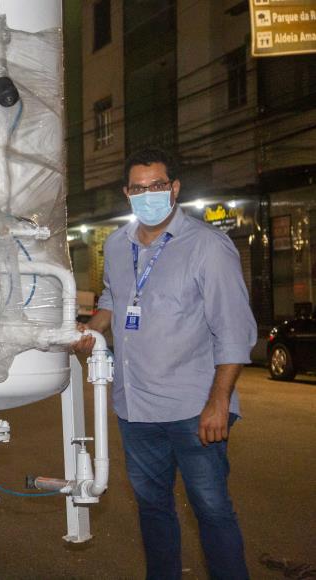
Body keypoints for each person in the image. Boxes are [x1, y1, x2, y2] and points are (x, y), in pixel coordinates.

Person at [74, 148, 256, 579]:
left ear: (174, 188)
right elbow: (113, 299)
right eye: (139, 188)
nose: (148, 195)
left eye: (157, 185)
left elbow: (234, 329)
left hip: (194, 408)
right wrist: (91, 332)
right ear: (127, 193)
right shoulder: (116, 245)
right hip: (135, 408)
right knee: (153, 510)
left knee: (212, 509)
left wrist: (219, 402)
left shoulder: (208, 246)